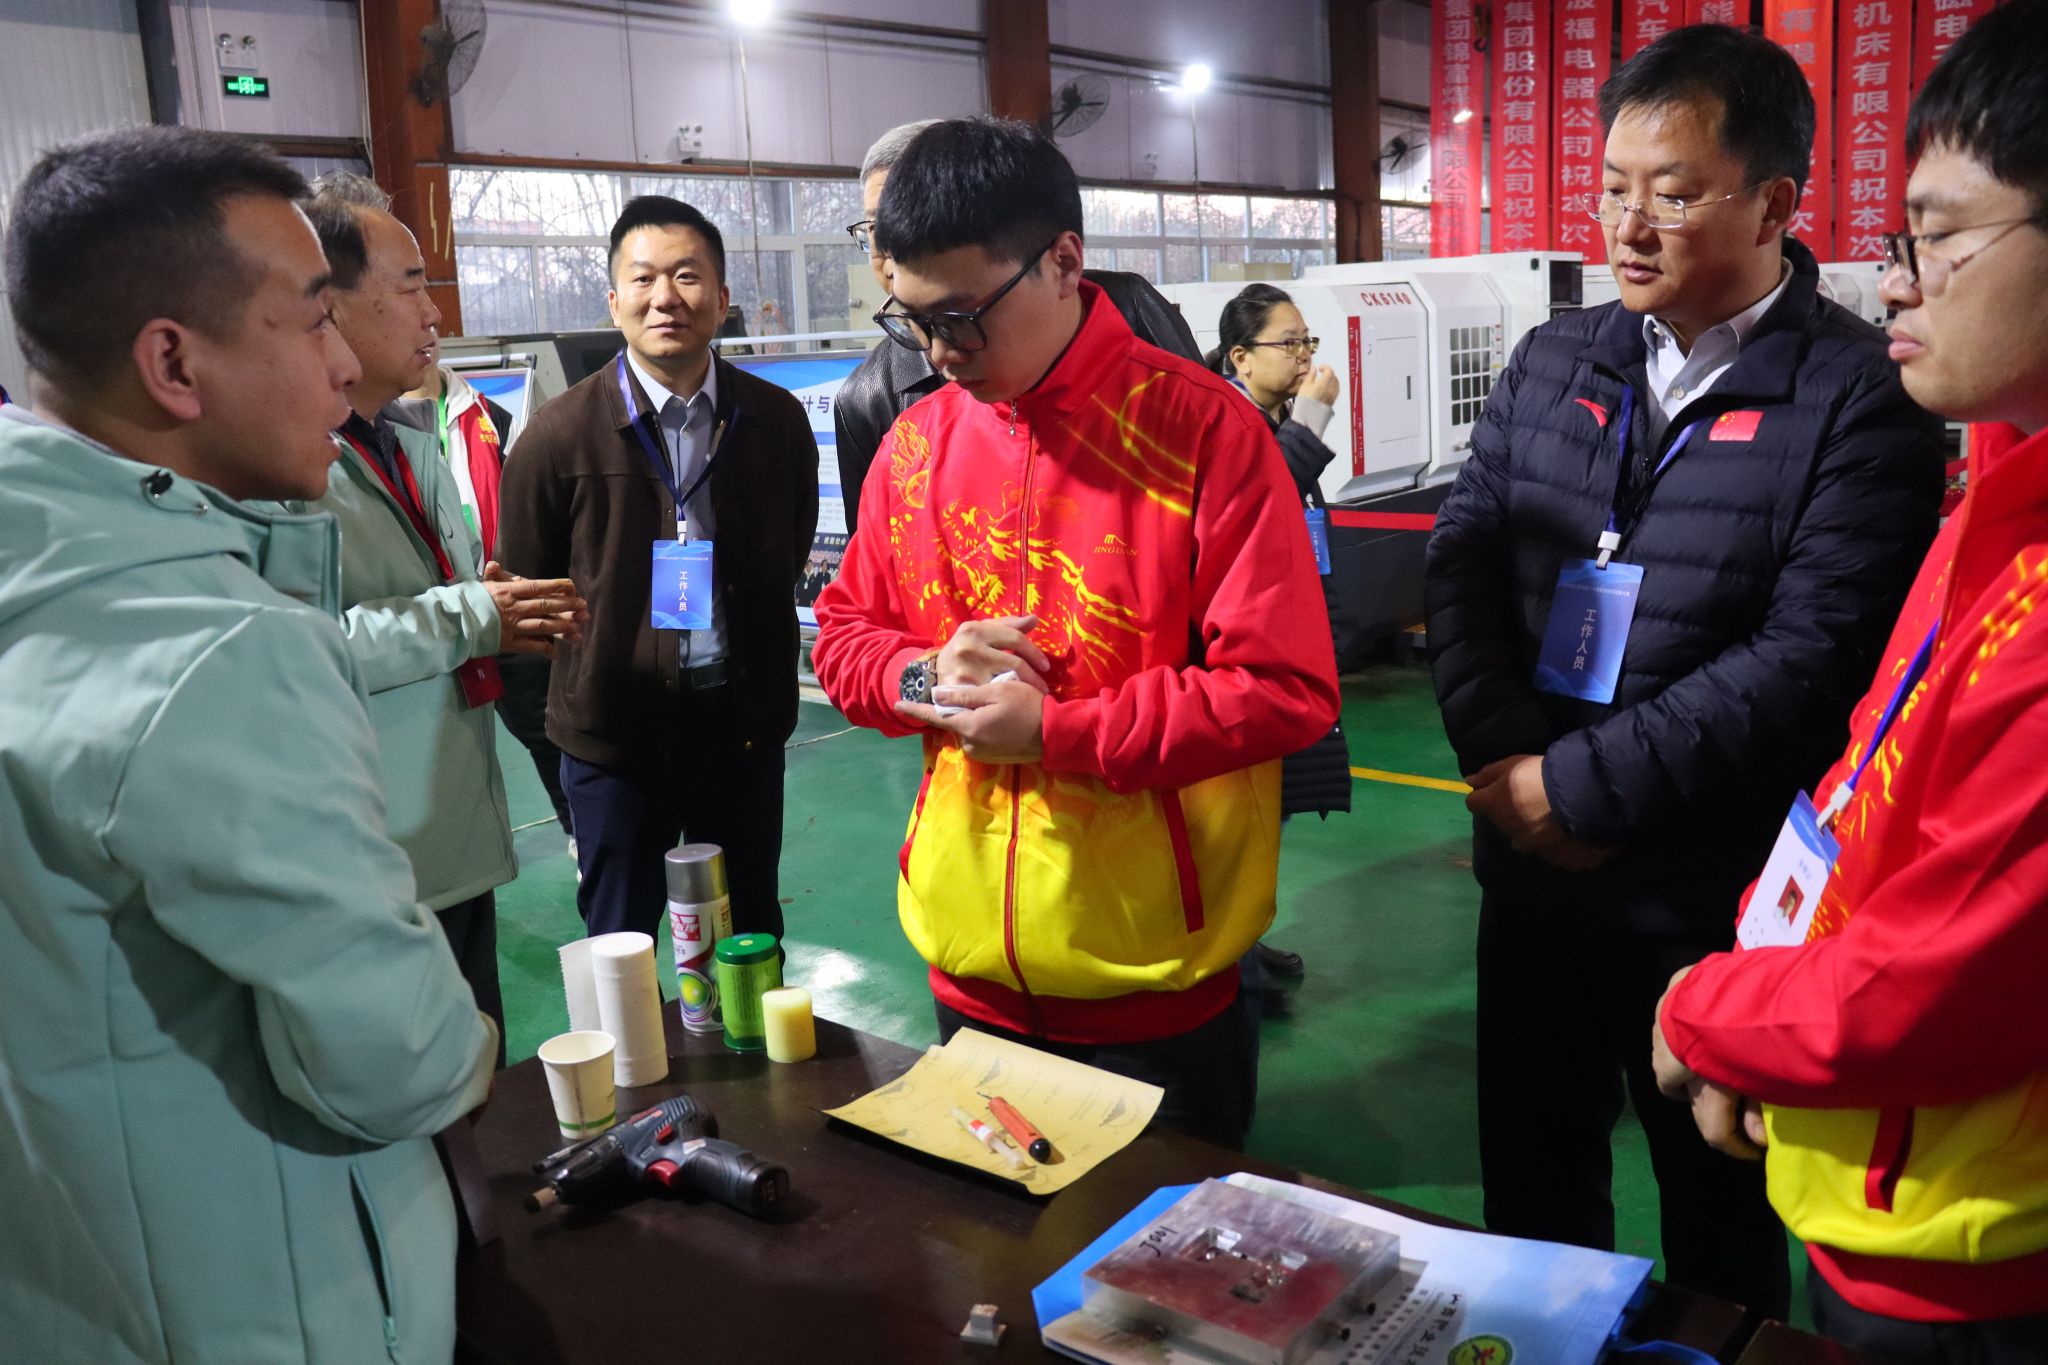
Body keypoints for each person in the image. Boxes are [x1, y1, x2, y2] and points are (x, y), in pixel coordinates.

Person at [1422, 24, 1945, 1317]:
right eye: (1612, 188)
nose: (1627, 224)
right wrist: (1507, 767)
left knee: (1719, 1234)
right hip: (1528, 885)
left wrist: (1577, 794)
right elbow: (1463, 558)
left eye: (1670, 191)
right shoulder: (1557, 358)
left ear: (1772, 204)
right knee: (1532, 1202)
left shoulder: (1858, 394)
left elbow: (1811, 658)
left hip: (1701, 905)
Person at [0, 126, 496, 1363]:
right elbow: (404, 1063)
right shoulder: (219, 650)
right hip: (267, 1303)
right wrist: (465, 1039)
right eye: (315, 317)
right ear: (174, 362)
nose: (344, 363)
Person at [810, 117, 1339, 1150]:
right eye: (913, 320)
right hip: (966, 965)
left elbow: (1283, 688)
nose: (940, 352)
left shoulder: (1203, 433)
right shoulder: (916, 444)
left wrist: (1057, 733)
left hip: (1153, 988)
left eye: (964, 317)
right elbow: (841, 639)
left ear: (1062, 260)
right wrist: (924, 676)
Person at [1652, 3, 2048, 1352]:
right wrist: (1764, 1010)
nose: (1896, 285)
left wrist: (1708, 1013)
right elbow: (1869, 791)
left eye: (1937, 240)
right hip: (1865, 1147)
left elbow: (1945, 978)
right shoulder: (1994, 491)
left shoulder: (1865, 406)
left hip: (1977, 1238)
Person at [297, 171, 587, 1058]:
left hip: (446, 837)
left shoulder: (403, 434)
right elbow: (303, 645)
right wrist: (468, 613)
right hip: (375, 859)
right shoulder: (288, 468)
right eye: (414, 286)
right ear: (329, 304)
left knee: (476, 1069)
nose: (436, 313)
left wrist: (489, 603)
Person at [498, 196, 820, 942]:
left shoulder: (775, 421)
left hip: (739, 731)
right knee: (619, 941)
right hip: (613, 741)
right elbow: (522, 608)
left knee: (750, 932)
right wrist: (572, 737)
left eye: (687, 275)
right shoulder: (557, 437)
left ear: (723, 298)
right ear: (615, 303)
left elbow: (789, 547)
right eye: (643, 279)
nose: (665, 297)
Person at [833, 119, 1204, 536]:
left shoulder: (1204, 418)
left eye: (963, 317)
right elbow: (877, 560)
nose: (900, 246)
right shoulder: (883, 409)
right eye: (880, 227)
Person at [391, 339, 575, 842]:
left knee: (546, 731)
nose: (425, 325)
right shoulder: (369, 431)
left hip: (505, 604)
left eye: (431, 308)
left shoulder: (493, 416)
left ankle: (581, 834)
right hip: (428, 613)